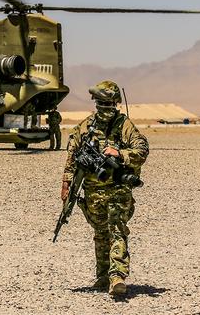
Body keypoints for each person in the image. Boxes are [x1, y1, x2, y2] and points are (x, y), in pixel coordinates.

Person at [60, 80, 149, 296]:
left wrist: (120, 154)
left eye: (108, 103)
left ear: (115, 103)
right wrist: (66, 185)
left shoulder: (124, 125)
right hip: (93, 192)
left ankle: (117, 276)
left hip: (118, 189)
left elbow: (142, 149)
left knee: (117, 229)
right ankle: (103, 277)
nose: (104, 108)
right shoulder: (84, 127)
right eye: (101, 103)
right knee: (100, 233)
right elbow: (72, 158)